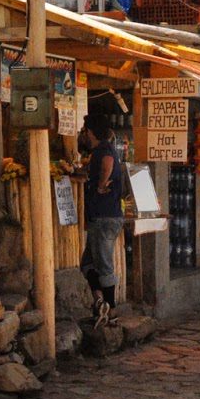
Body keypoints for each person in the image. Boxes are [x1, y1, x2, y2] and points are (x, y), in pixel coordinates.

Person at [72, 113, 127, 329]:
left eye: (85, 131)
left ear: (91, 132)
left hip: (105, 216)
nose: (83, 135)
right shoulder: (101, 150)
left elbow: (108, 163)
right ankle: (100, 302)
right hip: (101, 216)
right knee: (87, 263)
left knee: (104, 264)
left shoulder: (104, 150)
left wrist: (101, 184)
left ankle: (111, 311)